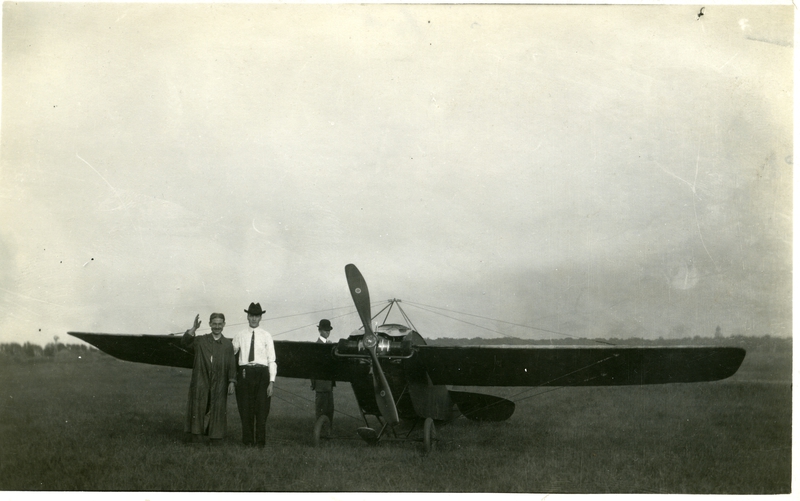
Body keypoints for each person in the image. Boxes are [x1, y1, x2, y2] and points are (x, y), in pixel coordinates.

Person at [181, 313, 236, 445]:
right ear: (210, 324)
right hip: (201, 379)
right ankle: (196, 437)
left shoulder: (228, 345)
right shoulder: (201, 341)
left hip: (220, 381)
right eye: (214, 324)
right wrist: (194, 328)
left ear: (224, 324)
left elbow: (231, 364)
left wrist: (232, 381)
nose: (217, 327)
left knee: (218, 407)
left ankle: (216, 437)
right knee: (198, 405)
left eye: (219, 324)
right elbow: (184, 343)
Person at [232, 302, 277, 448]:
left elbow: (272, 360)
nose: (253, 319)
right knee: (246, 408)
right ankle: (248, 441)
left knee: (262, 409)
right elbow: (231, 352)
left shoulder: (266, 336)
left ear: (260, 318)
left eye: (257, 316)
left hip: (262, 374)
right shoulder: (239, 335)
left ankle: (260, 442)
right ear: (247, 316)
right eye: (251, 315)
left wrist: (271, 382)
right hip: (245, 373)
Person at [310, 319, 335, 427]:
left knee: (329, 410)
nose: (327, 332)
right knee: (321, 410)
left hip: (328, 385)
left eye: (329, 330)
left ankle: (327, 431)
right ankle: (321, 431)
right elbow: (314, 366)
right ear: (320, 331)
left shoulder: (329, 345)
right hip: (321, 384)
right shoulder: (318, 346)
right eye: (325, 330)